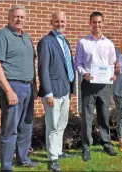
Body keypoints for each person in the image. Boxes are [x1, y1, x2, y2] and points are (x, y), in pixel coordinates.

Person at [0, 5, 40, 171]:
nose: (19, 19)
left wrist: (35, 86)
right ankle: (6, 167)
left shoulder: (27, 37)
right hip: (13, 86)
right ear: (9, 18)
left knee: (26, 127)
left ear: (26, 19)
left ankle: (23, 159)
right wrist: (9, 91)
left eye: (22, 17)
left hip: (28, 87)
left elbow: (31, 63)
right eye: (16, 16)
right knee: (10, 130)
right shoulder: (2, 36)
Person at [74, 11, 118, 162]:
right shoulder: (82, 42)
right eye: (94, 22)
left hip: (105, 85)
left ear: (102, 23)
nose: (97, 25)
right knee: (87, 117)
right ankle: (86, 147)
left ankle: (106, 143)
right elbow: (78, 63)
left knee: (104, 115)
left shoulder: (109, 43)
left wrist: (114, 74)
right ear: (90, 23)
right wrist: (83, 73)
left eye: (99, 22)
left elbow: (112, 63)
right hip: (88, 83)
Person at [37, 11, 76, 171]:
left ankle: (58, 151)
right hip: (53, 92)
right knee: (52, 125)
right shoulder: (46, 42)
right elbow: (43, 69)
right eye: (57, 21)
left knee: (62, 123)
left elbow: (67, 66)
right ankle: (52, 158)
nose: (60, 24)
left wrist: (71, 88)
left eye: (62, 21)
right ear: (51, 22)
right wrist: (48, 93)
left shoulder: (64, 40)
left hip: (65, 89)